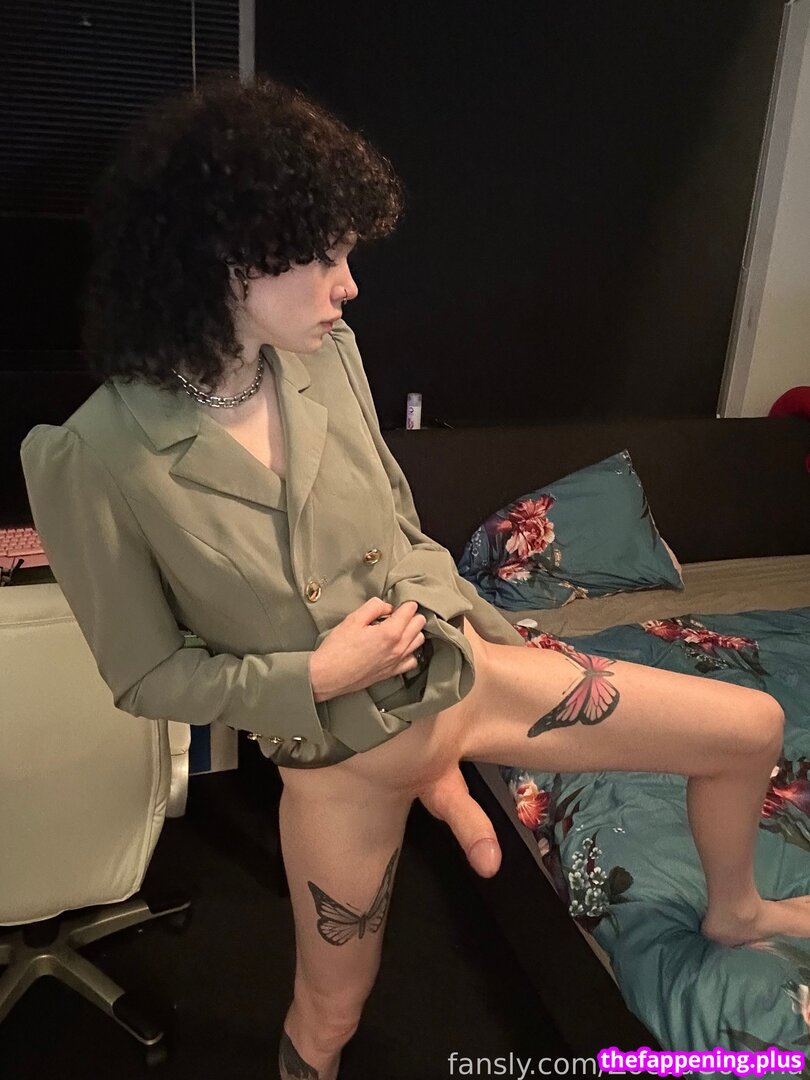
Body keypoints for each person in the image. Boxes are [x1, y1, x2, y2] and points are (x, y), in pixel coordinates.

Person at [18, 76, 810, 1080]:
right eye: (325, 255)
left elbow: (402, 527)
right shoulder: (93, 456)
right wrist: (314, 676)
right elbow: (145, 677)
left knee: (752, 728)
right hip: (343, 765)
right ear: (227, 255)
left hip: (467, 678)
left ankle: (736, 910)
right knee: (327, 1021)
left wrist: (476, 630)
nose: (349, 285)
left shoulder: (324, 355)